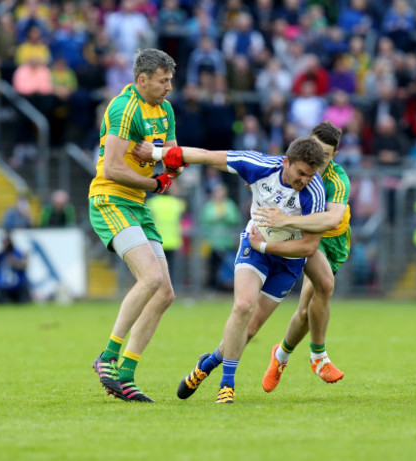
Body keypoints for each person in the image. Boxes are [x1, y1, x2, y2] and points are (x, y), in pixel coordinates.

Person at [133, 135, 326, 404]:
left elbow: (308, 247)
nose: (305, 180)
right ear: (286, 162)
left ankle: (207, 365)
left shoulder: (314, 191)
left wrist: (266, 247)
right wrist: (155, 153)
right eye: (301, 173)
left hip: (286, 260)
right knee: (243, 306)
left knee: (249, 329)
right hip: (254, 246)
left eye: (311, 175)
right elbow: (204, 154)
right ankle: (227, 384)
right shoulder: (258, 165)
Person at [88, 48, 179, 403]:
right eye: (163, 80)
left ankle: (125, 375)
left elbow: (175, 161)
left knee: (166, 293)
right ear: (142, 80)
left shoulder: (165, 109)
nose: (169, 86)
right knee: (152, 278)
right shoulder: (123, 108)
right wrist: (157, 182)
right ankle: (107, 356)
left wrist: (160, 163)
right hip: (110, 199)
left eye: (170, 79)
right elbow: (112, 168)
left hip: (138, 204)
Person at [248, 121, 351, 392]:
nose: (319, 158)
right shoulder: (297, 171)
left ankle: (280, 356)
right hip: (307, 241)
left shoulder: (337, 180)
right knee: (323, 288)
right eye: (315, 150)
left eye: (326, 155)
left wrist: (285, 221)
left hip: (333, 242)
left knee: (306, 312)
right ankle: (319, 356)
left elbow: (332, 219)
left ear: (334, 156)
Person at [0, 233, 31, 304]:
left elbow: (24, 265)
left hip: (18, 285)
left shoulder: (18, 253)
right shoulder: (1, 255)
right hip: (4, 286)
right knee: (3, 303)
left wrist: (15, 263)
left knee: (24, 303)